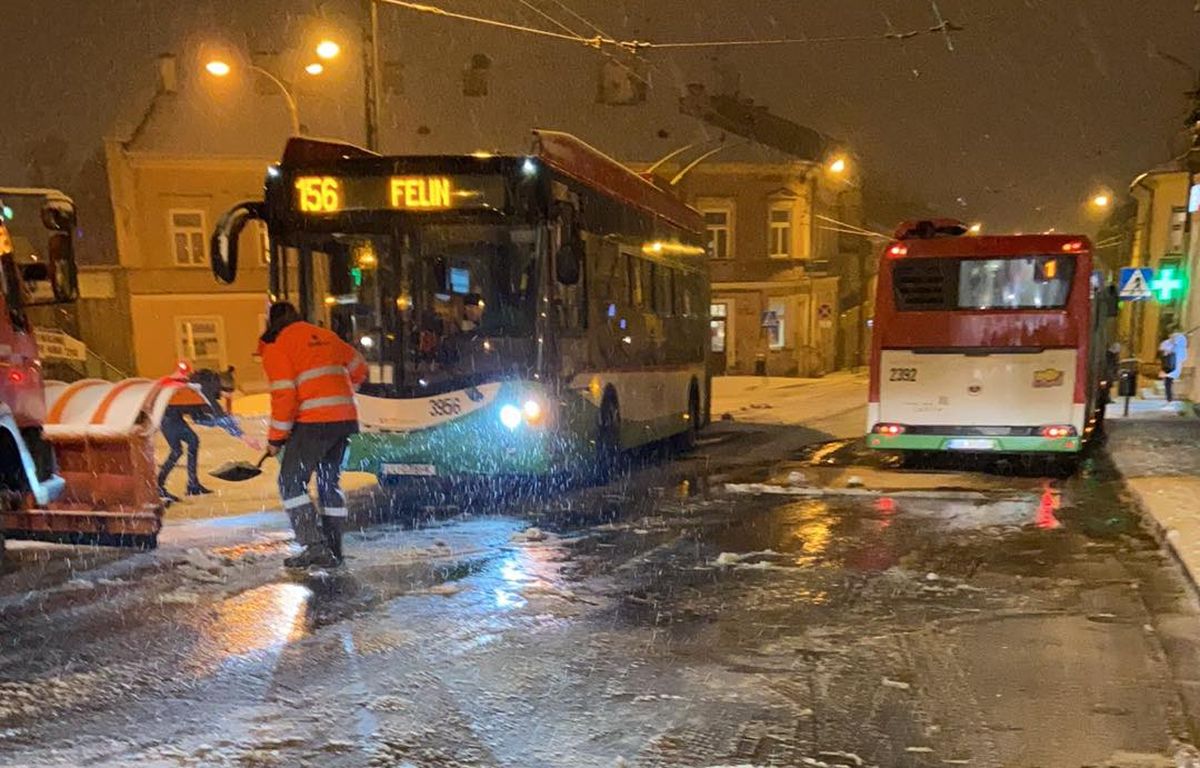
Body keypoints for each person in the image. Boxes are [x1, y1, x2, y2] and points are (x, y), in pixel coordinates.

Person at [260, 301, 368, 569]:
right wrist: (339, 393)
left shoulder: (278, 345)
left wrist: (276, 439)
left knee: (290, 482)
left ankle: (314, 546)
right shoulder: (325, 335)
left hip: (313, 424)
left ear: (272, 322)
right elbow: (359, 369)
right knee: (328, 482)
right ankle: (333, 547)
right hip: (343, 420)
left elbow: (285, 396)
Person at [157, 362, 247, 502]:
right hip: (167, 416)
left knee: (193, 442)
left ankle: (192, 484)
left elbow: (198, 417)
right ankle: (159, 486)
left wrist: (215, 422)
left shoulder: (202, 385)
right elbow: (216, 413)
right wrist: (239, 434)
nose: (225, 396)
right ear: (222, 387)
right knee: (177, 450)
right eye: (227, 393)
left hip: (172, 415)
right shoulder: (206, 388)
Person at [1159, 328, 1189, 404]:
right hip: (1167, 364)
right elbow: (1162, 350)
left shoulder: (1178, 344)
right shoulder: (1166, 343)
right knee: (1167, 381)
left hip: (1174, 363)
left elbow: (1183, 351)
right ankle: (1169, 398)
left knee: (1169, 380)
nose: (1174, 337)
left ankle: (1169, 398)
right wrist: (1169, 348)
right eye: (1173, 335)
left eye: (1176, 335)